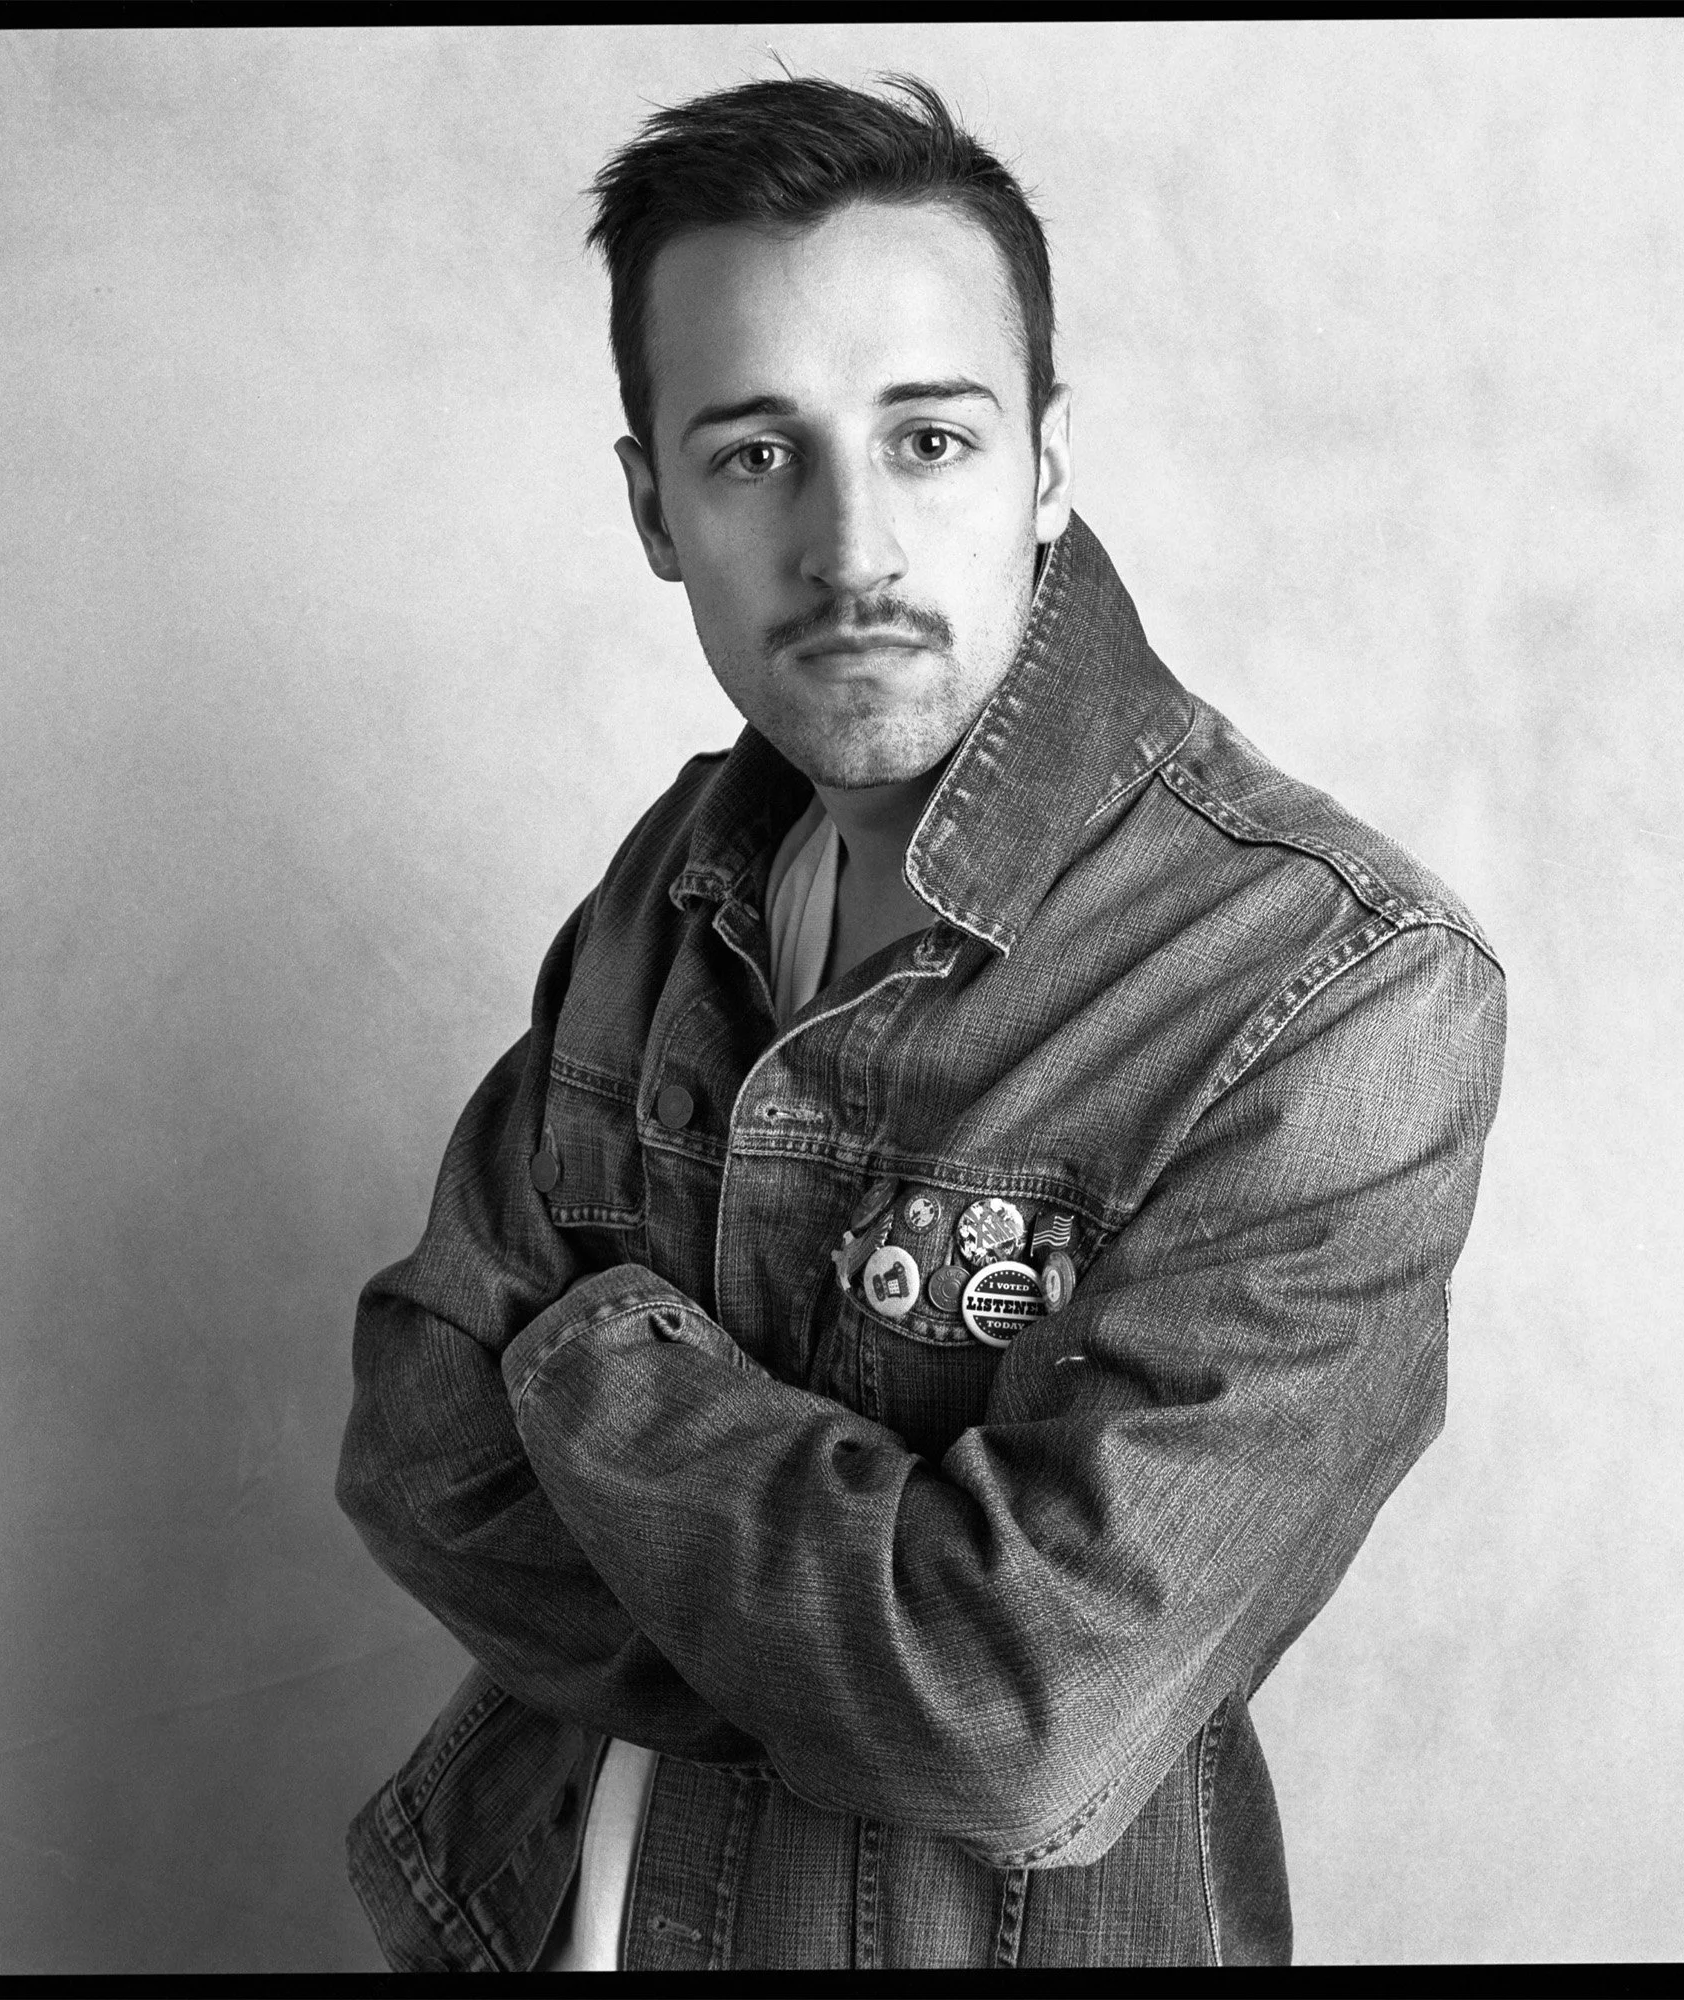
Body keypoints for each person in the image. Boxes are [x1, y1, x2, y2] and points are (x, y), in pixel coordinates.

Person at [335, 73, 1506, 1971]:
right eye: (754, 454)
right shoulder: (686, 865)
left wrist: (588, 1352)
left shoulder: (1327, 979)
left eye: (931, 439)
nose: (853, 548)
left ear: (1048, 461)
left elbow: (1019, 1716)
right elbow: (417, 1451)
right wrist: (863, 1661)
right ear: (652, 506)